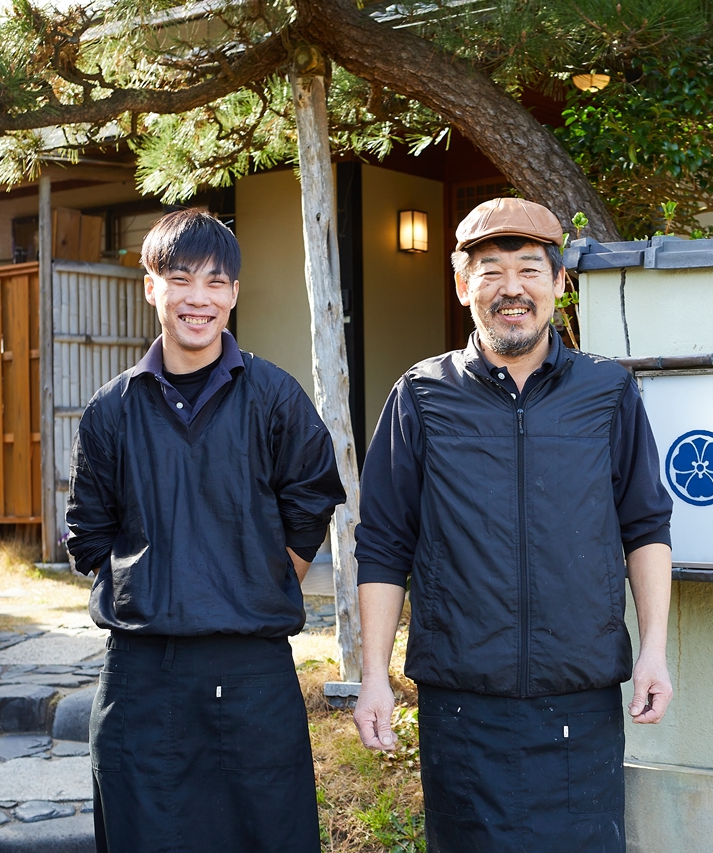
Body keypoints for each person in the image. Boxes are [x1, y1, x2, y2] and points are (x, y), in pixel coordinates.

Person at [352, 197, 675, 851]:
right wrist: (375, 673)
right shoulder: (421, 396)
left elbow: (645, 525)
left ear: (559, 282)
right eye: (490, 269)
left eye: (530, 268)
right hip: (464, 703)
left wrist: (654, 648)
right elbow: (383, 544)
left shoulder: (607, 393)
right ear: (462, 283)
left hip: (578, 699)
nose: (511, 288)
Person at [66, 209, 344, 853]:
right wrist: (155, 583)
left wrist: (267, 575)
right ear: (150, 286)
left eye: (216, 282)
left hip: (252, 672)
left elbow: (313, 496)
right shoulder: (111, 409)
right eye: (181, 278)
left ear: (235, 294)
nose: (199, 298)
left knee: (266, 833)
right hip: (142, 676)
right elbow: (88, 532)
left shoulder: (274, 396)